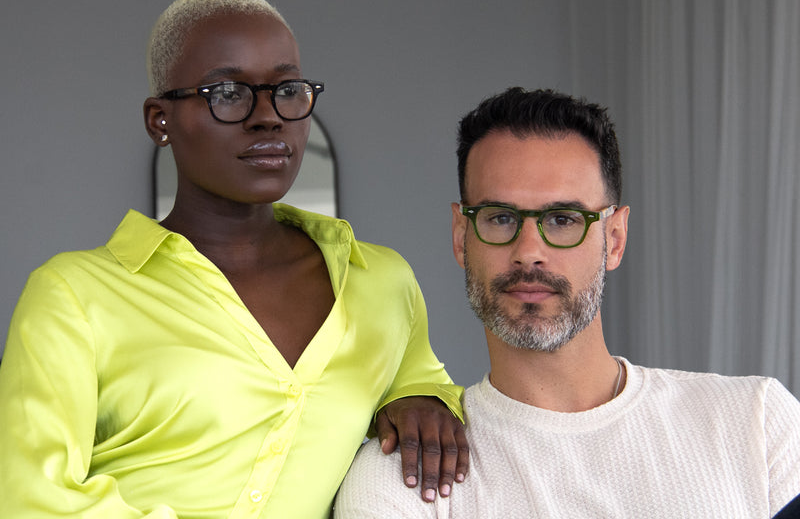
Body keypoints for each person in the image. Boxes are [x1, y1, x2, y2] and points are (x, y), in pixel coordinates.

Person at [0, 0, 468, 518]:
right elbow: (33, 501)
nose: (268, 117)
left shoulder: (380, 281)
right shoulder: (71, 295)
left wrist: (418, 400)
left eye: (286, 90)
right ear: (160, 120)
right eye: (227, 92)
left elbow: (426, 387)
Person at [334, 87, 800, 517]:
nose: (528, 251)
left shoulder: (756, 422)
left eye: (562, 219)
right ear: (461, 237)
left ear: (614, 239)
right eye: (500, 218)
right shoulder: (402, 477)